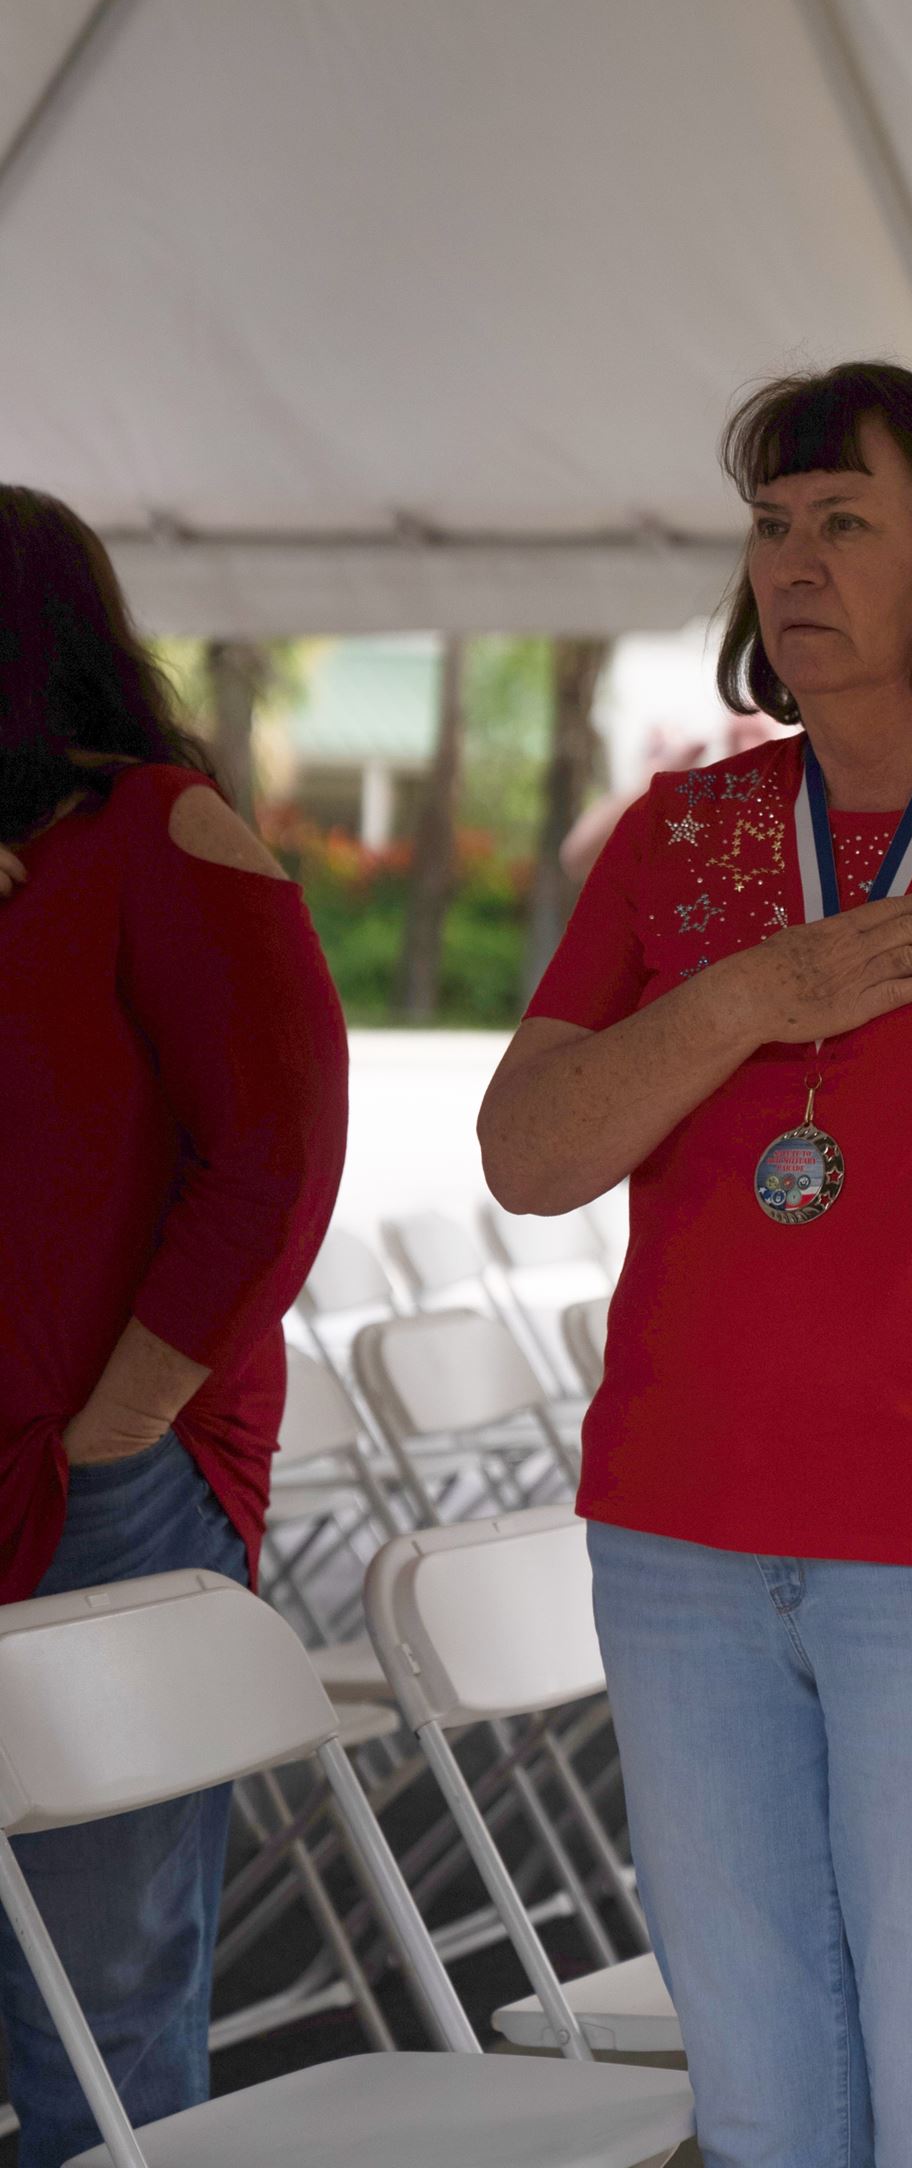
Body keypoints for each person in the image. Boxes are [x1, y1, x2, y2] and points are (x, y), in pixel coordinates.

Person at [479, 361, 912, 2168]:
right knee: (766, 2118)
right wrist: (748, 1000)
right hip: (680, 1543)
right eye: (772, 528)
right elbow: (531, 1150)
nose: (791, 563)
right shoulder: (679, 836)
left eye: (844, 523)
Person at [0, 489, 348, 2168]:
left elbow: (277, 1156)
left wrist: (121, 1420)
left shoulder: (158, 829)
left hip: (101, 1485)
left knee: (101, 1993)